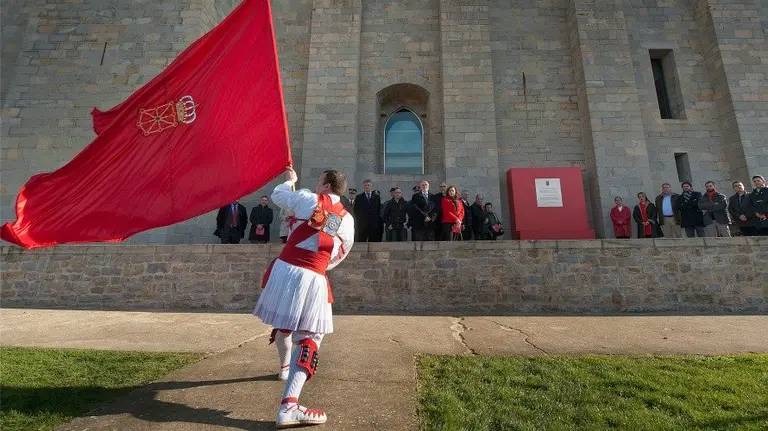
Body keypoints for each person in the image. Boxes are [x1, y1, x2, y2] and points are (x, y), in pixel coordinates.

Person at [253, 167, 354, 428]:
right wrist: (317, 266)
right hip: (312, 274)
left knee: (284, 323)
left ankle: (284, 368)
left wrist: (291, 181)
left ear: (326, 186)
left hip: (285, 268)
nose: (316, 184)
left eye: (319, 181)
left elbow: (278, 195)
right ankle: (289, 404)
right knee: (310, 336)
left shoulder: (307, 198)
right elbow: (340, 252)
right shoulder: (345, 219)